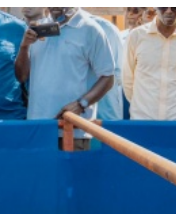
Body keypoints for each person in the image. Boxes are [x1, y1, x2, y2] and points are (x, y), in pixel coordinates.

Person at [16, 7, 114, 150]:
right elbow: (22, 76)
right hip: (38, 129)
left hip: (74, 131)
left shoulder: (91, 29)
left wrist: (81, 104)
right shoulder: (37, 29)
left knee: (73, 172)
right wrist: (24, 47)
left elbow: (108, 77)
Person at [124, 7, 176, 121]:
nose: (169, 11)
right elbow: (127, 80)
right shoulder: (136, 36)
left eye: (175, 7)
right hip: (142, 120)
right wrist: (143, 108)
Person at [87, 12, 123, 121]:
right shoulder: (49, 29)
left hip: (104, 112)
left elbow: (118, 74)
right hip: (68, 114)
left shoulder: (105, 28)